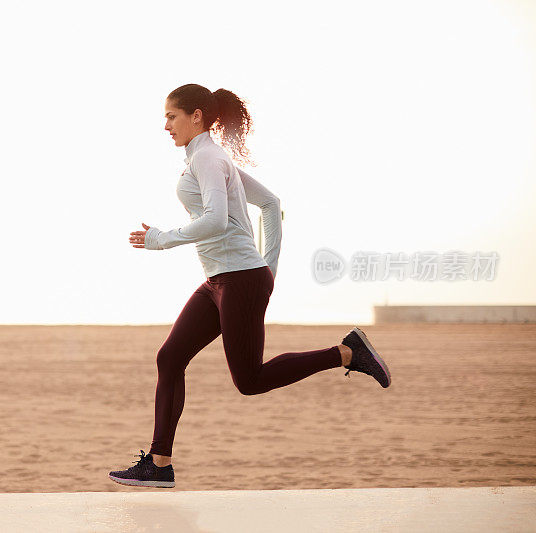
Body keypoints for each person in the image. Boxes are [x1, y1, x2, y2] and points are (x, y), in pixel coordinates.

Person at [108, 84, 391, 489]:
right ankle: (159, 463)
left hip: (238, 280)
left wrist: (162, 239)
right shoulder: (207, 158)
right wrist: (268, 268)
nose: (166, 125)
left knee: (250, 381)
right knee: (169, 358)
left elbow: (217, 220)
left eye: (172, 116)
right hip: (223, 281)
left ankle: (346, 352)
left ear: (197, 116)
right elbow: (271, 205)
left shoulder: (207, 156)